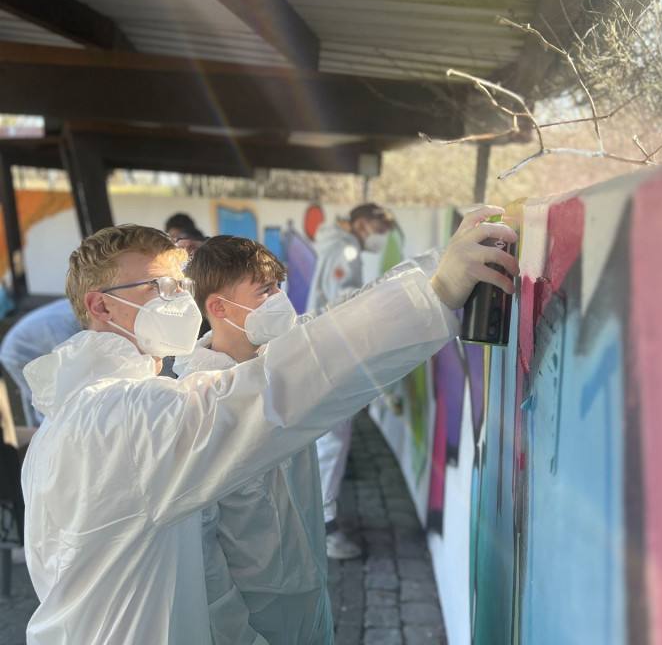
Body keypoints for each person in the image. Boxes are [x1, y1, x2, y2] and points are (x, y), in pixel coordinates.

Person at [20, 209, 518, 644]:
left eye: (179, 287)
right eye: (158, 287)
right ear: (100, 306)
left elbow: (298, 355)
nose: (177, 301)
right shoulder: (118, 418)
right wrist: (434, 294)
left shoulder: (67, 422)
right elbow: (275, 391)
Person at [175, 236, 331, 645]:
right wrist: (236, 632)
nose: (280, 299)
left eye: (278, 286)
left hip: (310, 586)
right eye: (265, 290)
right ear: (219, 308)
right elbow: (200, 548)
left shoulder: (283, 368)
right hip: (256, 612)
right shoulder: (198, 404)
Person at [306, 202, 397, 559]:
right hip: (334, 354)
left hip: (326, 351)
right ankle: (325, 529)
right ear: (360, 223)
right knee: (332, 441)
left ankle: (319, 520)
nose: (380, 237)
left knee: (328, 440)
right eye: (378, 228)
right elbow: (345, 307)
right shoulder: (344, 250)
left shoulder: (335, 245)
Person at [0, 298, 81, 427]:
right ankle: (48, 436)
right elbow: (75, 366)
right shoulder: (71, 324)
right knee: (46, 400)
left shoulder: (80, 308)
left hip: (23, 341)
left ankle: (35, 436)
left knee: (36, 399)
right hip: (18, 350)